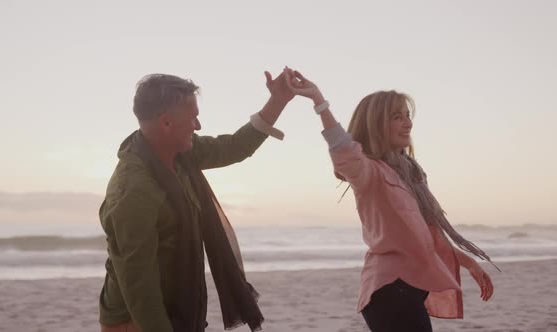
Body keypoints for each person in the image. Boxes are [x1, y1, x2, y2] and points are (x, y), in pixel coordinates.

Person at [284, 68, 496, 332]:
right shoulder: (369, 171)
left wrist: (468, 262)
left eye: (408, 116)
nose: (407, 123)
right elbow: (343, 150)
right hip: (390, 290)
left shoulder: (411, 175)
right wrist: (319, 102)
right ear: (376, 124)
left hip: (407, 290)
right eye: (397, 117)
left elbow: (422, 238)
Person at [98, 71, 294, 332]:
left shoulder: (180, 153)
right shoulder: (133, 192)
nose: (198, 126)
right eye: (193, 118)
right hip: (136, 322)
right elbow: (140, 288)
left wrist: (278, 101)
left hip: (180, 311)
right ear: (166, 123)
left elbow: (235, 147)